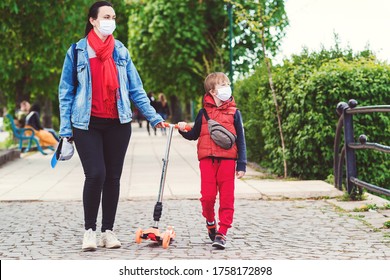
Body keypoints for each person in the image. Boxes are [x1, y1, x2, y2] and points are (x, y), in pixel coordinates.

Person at [57, 1, 164, 251]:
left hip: (118, 123)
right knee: (96, 174)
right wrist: (65, 131)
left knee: (113, 178)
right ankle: (89, 231)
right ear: (93, 20)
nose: (111, 20)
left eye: (113, 16)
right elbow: (66, 92)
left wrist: (153, 116)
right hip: (86, 123)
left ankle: (108, 231)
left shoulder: (121, 51)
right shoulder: (77, 51)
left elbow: (136, 89)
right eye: (106, 16)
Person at [177, 72, 247, 250]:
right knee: (207, 198)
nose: (227, 87)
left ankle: (222, 233)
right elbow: (194, 135)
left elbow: (241, 140)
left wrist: (242, 164)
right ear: (212, 91)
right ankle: (210, 221)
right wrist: (182, 129)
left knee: (227, 199)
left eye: (227, 84)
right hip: (207, 161)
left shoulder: (234, 113)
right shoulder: (203, 113)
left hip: (228, 161)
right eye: (223, 85)